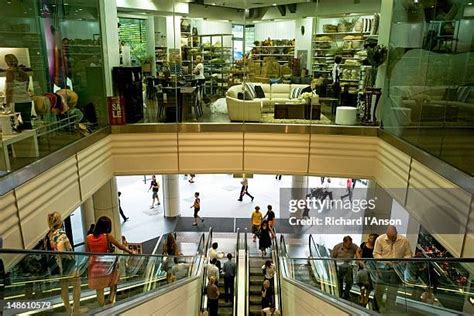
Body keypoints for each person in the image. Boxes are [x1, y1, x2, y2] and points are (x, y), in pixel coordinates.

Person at [86, 216, 134, 306]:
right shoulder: (107, 237)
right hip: (107, 266)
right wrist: (130, 251)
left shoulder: (88, 238)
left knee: (99, 290)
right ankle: (111, 301)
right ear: (107, 227)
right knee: (114, 281)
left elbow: (88, 253)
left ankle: (102, 308)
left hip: (95, 266)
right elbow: (119, 246)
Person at [47, 212, 81, 314]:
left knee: (64, 288)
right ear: (59, 221)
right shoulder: (61, 234)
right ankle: (75, 311)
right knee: (77, 285)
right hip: (69, 265)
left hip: (59, 265)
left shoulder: (51, 234)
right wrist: (69, 255)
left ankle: (69, 310)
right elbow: (61, 250)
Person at [373, 225, 413, 312]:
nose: (391, 239)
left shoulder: (404, 240)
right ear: (386, 234)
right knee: (379, 291)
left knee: (392, 292)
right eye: (389, 237)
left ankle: (389, 310)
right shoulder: (380, 239)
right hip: (383, 269)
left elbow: (408, 254)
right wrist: (384, 261)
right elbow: (376, 254)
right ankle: (375, 310)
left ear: (396, 233)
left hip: (396, 270)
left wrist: (401, 262)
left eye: (393, 237)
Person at [4, 54, 33, 129]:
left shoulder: (9, 72)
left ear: (7, 62)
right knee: (27, 124)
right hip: (27, 101)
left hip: (15, 101)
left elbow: (9, 90)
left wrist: (7, 104)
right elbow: (26, 89)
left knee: (13, 125)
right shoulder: (24, 74)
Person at [331, 235, 359, 300]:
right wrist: (332, 269)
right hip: (339, 266)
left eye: (351, 244)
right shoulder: (337, 247)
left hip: (348, 266)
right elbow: (332, 258)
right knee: (339, 281)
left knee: (349, 281)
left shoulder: (353, 246)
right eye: (348, 244)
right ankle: (339, 294)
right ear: (344, 242)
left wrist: (357, 258)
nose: (350, 245)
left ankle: (346, 294)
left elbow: (359, 251)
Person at [356, 233, 379, 307]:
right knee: (361, 283)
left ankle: (367, 297)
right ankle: (362, 296)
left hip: (371, 268)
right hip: (362, 266)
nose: (369, 239)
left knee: (369, 284)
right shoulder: (363, 244)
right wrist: (360, 260)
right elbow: (358, 251)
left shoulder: (376, 247)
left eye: (371, 238)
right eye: (369, 237)